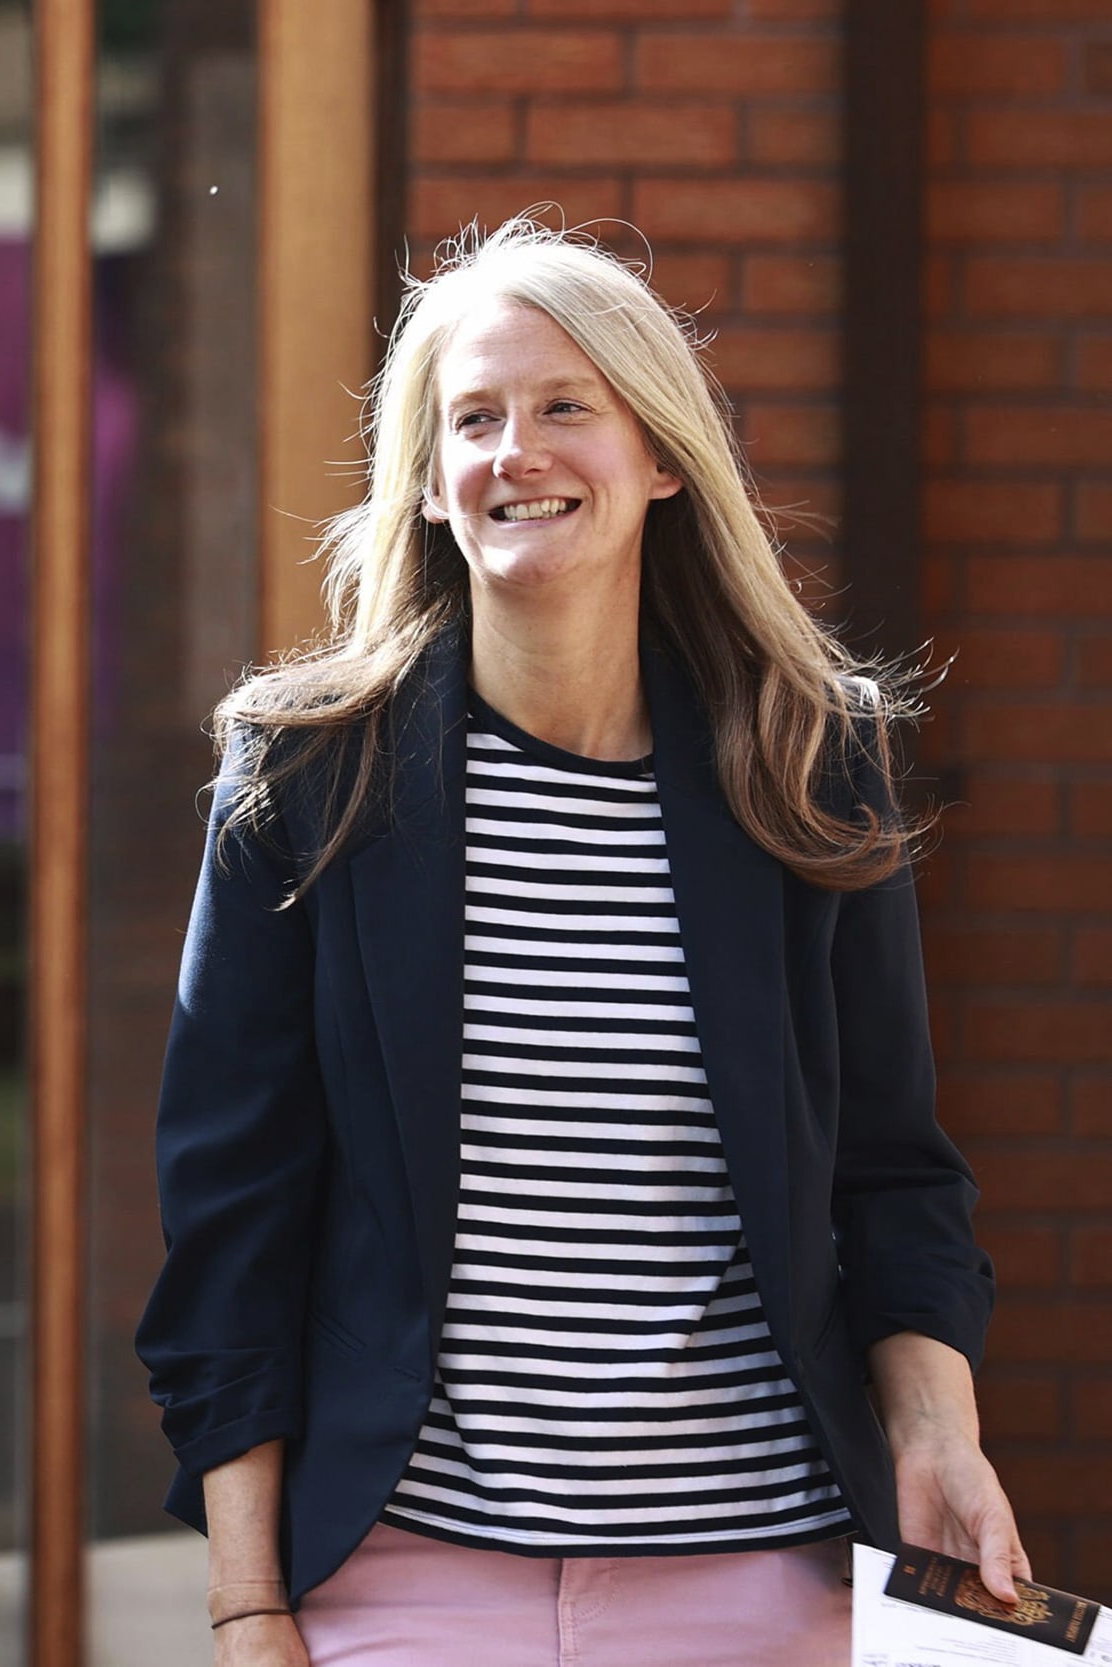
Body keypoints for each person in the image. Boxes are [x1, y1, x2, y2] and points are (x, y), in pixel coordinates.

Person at [135, 218, 1024, 1667]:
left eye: (566, 408)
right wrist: (248, 1604)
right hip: (405, 1578)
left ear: (661, 456)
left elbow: (894, 1173)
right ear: (428, 482)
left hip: (760, 1577)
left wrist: (939, 1435)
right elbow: (231, 1224)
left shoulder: (807, 767)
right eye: (473, 418)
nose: (516, 452)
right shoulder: (306, 781)